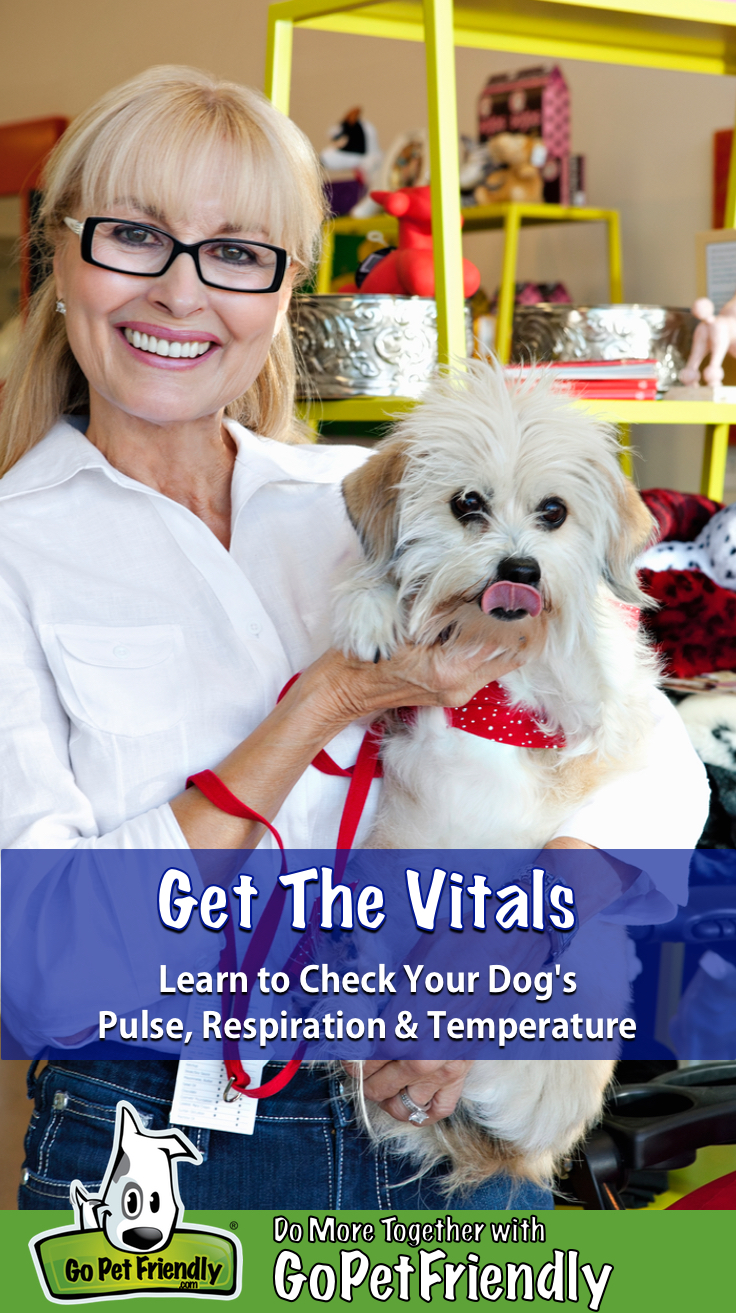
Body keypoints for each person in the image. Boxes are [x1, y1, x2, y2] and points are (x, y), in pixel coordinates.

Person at [0, 67, 708, 1213]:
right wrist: (323, 703)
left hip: (451, 1120)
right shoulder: (14, 553)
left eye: (236, 252)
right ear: (60, 252)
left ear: (287, 291)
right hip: (171, 1158)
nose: (182, 294)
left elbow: (655, 770)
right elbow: (38, 964)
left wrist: (499, 960)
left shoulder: (372, 499)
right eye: (134, 236)